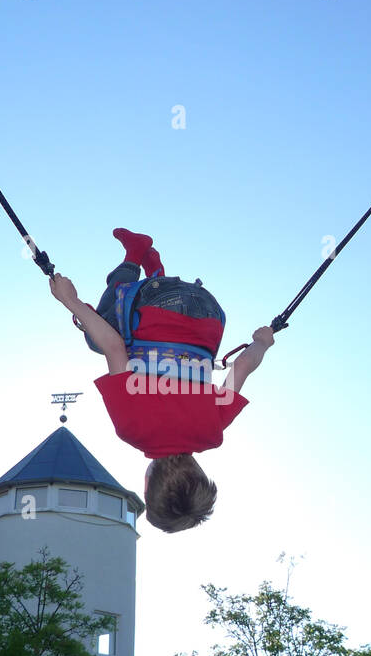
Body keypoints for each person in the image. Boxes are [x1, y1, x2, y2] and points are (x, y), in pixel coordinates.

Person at [50, 227, 275, 532]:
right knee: (96, 333)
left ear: (197, 472)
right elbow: (113, 346)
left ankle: (153, 267)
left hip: (208, 310)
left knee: (131, 334)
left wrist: (263, 341)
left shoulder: (213, 431)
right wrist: (71, 301)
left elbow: (242, 366)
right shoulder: (132, 429)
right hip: (154, 301)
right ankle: (134, 256)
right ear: (147, 482)